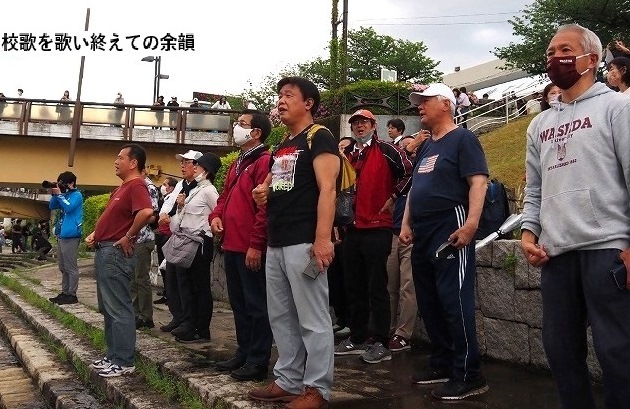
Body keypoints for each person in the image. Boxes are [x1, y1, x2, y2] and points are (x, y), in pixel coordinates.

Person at [521, 24, 630, 409]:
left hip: (607, 252)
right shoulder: (539, 124)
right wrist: (529, 232)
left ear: (592, 60)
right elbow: (534, 189)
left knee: (617, 353)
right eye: (550, 52)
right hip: (556, 254)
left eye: (564, 50)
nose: (555, 59)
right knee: (561, 352)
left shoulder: (618, 108)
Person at [248, 77, 339, 409]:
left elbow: (328, 189)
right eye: (279, 96)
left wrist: (322, 239)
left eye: (289, 95)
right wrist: (263, 192)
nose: (281, 101)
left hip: (304, 240)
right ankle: (288, 380)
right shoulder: (283, 145)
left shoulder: (320, 137)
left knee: (312, 318)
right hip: (277, 240)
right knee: (282, 315)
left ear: (309, 103)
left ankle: (317, 388)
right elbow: (276, 187)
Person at [400, 83, 489, 400]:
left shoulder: (464, 139)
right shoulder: (426, 146)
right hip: (422, 228)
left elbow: (478, 181)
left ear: (446, 104)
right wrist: (407, 222)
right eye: (419, 102)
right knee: (429, 301)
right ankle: (442, 363)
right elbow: (415, 188)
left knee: (454, 300)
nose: (419, 107)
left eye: (425, 101)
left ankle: (469, 372)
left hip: (450, 223)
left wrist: (471, 224)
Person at [333, 109, 412, 365]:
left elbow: (409, 172)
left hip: (378, 226)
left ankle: (380, 340)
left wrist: (393, 197)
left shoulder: (388, 150)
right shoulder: (346, 155)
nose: (359, 126)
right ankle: (357, 337)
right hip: (352, 228)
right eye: (355, 123)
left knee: (377, 286)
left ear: (373, 125)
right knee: (353, 285)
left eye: (363, 122)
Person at [210, 109, 273, 382]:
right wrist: (215, 217)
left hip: (249, 245)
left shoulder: (264, 160)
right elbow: (224, 196)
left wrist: (256, 244)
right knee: (239, 303)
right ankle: (244, 351)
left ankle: (258, 359)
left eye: (242, 124)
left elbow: (264, 208)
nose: (237, 128)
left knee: (256, 304)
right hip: (232, 243)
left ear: (256, 132)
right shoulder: (238, 162)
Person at [86, 143, 154, 378]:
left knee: (118, 307)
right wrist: (97, 233)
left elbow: (146, 212)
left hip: (115, 254)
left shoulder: (136, 185)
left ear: (133, 162)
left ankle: (124, 361)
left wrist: (128, 236)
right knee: (107, 307)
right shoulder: (122, 188)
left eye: (120, 157)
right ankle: (113, 355)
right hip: (104, 250)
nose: (116, 161)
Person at [163, 151, 220, 344]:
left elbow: (218, 214)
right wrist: (179, 206)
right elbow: (187, 215)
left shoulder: (209, 191)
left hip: (200, 243)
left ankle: (202, 329)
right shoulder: (195, 189)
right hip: (186, 241)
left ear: (207, 170)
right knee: (187, 286)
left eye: (199, 166)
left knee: (200, 287)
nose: (195, 168)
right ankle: (190, 324)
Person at [48, 171, 84, 305]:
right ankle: (65, 292)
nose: (61, 186)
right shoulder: (65, 195)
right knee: (63, 267)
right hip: (62, 235)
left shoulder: (77, 195)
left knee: (71, 267)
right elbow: (52, 206)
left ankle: (72, 294)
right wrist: (55, 195)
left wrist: (60, 195)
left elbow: (69, 208)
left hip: (71, 235)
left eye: (63, 183)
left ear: (72, 183)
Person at [131, 172, 160, 329]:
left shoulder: (149, 188)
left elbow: (152, 216)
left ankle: (146, 316)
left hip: (143, 238)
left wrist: (133, 219)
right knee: (133, 279)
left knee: (141, 279)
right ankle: (135, 313)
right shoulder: (135, 187)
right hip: (134, 239)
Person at [154, 176, 178, 305]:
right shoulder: (166, 199)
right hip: (161, 234)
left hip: (167, 235)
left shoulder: (173, 198)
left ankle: (170, 295)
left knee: (167, 267)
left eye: (165, 184)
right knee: (162, 267)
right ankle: (166, 292)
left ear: (171, 187)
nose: (162, 187)